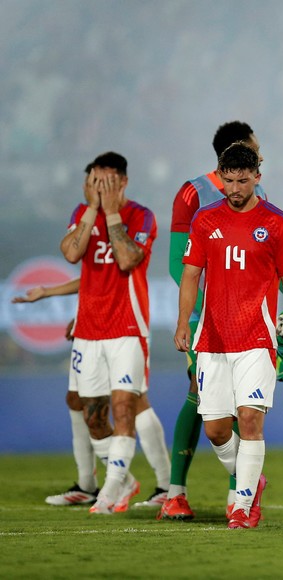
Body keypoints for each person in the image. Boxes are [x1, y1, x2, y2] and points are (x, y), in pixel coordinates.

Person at [175, 142, 283, 529]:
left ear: (257, 178)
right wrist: (183, 322)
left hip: (257, 339)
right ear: (220, 178)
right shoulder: (204, 219)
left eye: (243, 181)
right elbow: (190, 275)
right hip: (213, 339)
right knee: (217, 430)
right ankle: (252, 479)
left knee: (249, 419)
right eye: (229, 181)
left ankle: (243, 505)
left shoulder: (277, 222)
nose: (235, 189)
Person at [159, 121, 267, 521]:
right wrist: (210, 309)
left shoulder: (258, 192)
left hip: (250, 321)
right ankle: (177, 491)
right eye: (254, 148)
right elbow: (178, 263)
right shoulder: (193, 193)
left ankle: (239, 493)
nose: (260, 156)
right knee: (201, 395)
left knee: (244, 405)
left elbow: (268, 263)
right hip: (206, 317)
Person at [12, 280, 171, 508]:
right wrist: (81, 313)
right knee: (76, 400)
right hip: (90, 326)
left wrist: (52, 293)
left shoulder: (126, 256)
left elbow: (112, 275)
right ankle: (87, 486)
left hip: (124, 327)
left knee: (134, 401)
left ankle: (166, 487)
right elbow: (91, 276)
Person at [60, 152, 157, 514]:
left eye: (107, 181)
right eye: (94, 181)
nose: (100, 188)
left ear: (123, 182)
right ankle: (126, 481)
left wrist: (113, 213)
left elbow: (128, 259)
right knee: (93, 416)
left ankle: (109, 490)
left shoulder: (142, 216)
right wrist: (92, 209)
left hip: (126, 327)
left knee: (123, 408)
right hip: (89, 331)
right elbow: (71, 254)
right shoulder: (81, 213)